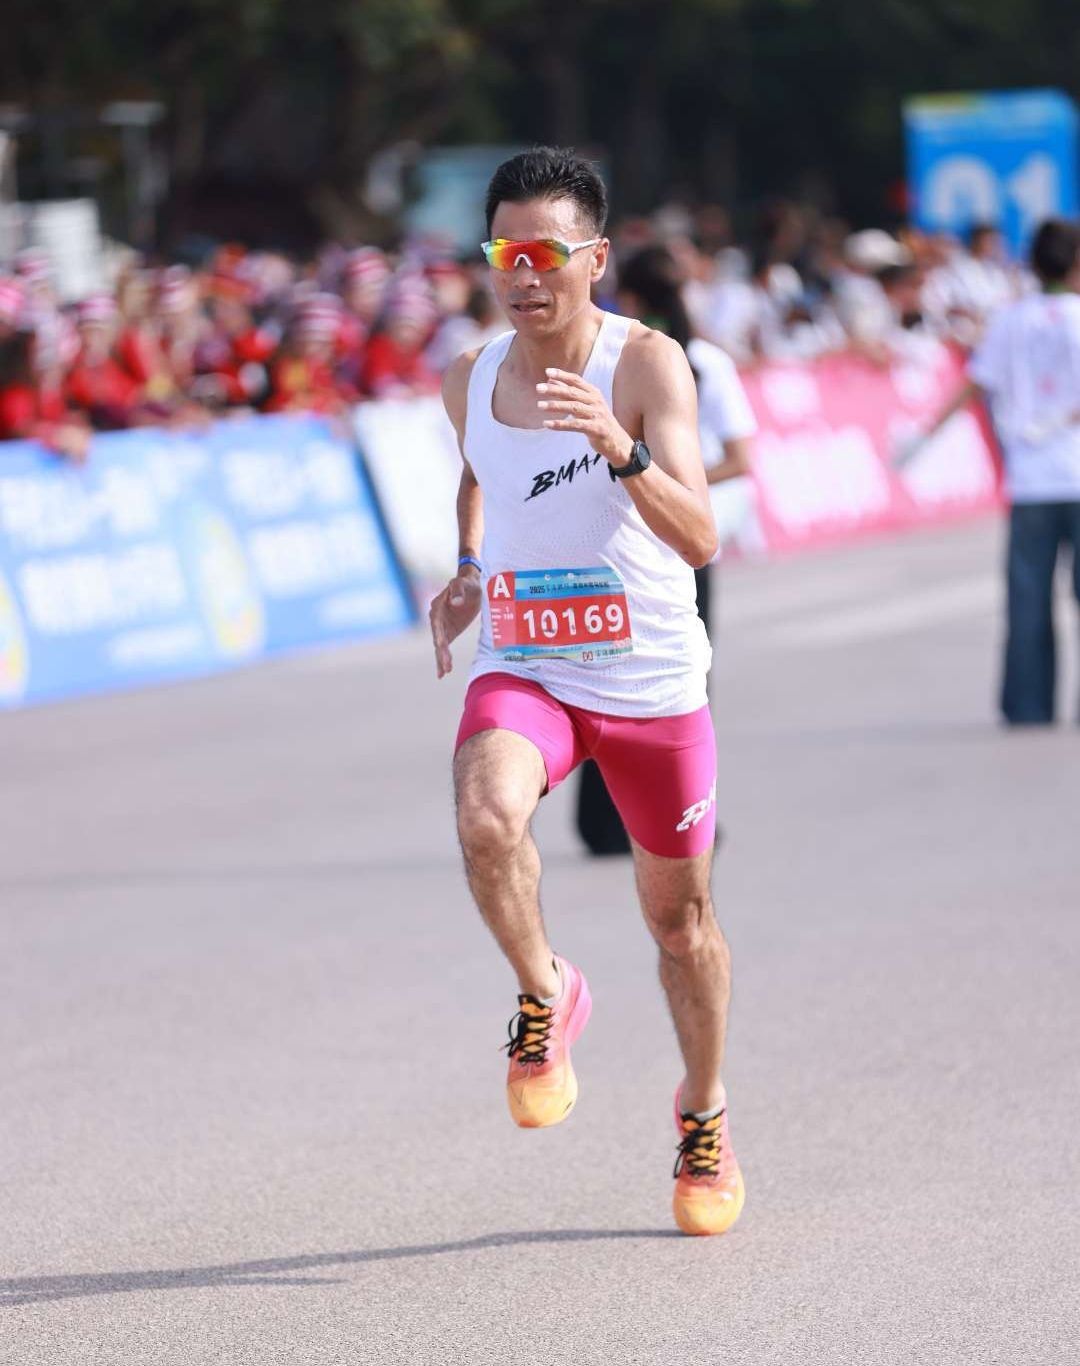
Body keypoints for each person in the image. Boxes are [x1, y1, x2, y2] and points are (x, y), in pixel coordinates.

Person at [427, 147, 743, 1237]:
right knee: (485, 816)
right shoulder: (469, 375)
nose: (524, 275)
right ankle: (545, 988)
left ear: (595, 259)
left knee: (680, 924)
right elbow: (478, 469)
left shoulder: (648, 366)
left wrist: (618, 446)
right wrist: (468, 567)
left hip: (652, 682)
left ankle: (703, 1113)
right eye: (505, 252)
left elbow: (702, 536)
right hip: (530, 664)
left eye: (546, 254)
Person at [908, 219, 1080, 725]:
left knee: (1028, 599)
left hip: (1030, 480)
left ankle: (1028, 705)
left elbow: (974, 384)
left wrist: (925, 434)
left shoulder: (1010, 319)